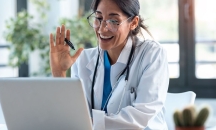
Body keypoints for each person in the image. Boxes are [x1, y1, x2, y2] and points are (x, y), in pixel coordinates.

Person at [49, 0, 169, 129]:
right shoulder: (83, 59)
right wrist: (59, 74)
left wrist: (91, 123)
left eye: (113, 21)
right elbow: (73, 117)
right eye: (99, 18)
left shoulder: (152, 54)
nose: (102, 29)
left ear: (133, 22)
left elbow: (141, 115)